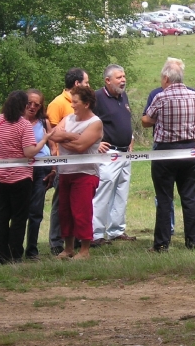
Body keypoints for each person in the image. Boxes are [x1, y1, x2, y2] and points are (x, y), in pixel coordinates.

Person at [142, 58, 195, 252]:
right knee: (190, 197)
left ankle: (161, 243)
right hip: (188, 150)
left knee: (165, 198)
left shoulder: (161, 97)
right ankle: (193, 241)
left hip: (165, 152)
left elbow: (146, 120)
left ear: (166, 78)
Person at [0, 90, 54, 265]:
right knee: (19, 217)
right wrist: (44, 139)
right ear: (22, 106)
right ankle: (14, 255)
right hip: (20, 178)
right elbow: (29, 152)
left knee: (1, 215)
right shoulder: (23, 125)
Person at [51, 86, 103, 260]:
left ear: (86, 104)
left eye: (75, 102)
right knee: (64, 212)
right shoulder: (68, 118)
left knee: (81, 212)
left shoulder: (95, 123)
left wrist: (65, 137)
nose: (72, 105)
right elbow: (53, 135)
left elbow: (82, 147)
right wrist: (73, 137)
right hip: (65, 172)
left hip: (86, 173)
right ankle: (68, 249)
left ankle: (85, 250)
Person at [46, 68, 90, 255]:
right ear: (77, 84)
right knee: (60, 205)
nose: (89, 85)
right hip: (61, 162)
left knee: (78, 205)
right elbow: (53, 134)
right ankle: (57, 241)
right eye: (86, 82)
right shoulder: (57, 103)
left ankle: (78, 240)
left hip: (82, 165)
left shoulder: (84, 104)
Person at [91, 64, 136, 247]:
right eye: (119, 77)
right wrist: (95, 143)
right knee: (103, 192)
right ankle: (96, 234)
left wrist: (131, 139)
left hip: (125, 152)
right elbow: (87, 121)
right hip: (109, 154)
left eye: (124, 76)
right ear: (107, 80)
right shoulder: (97, 97)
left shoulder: (123, 96)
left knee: (121, 192)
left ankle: (116, 230)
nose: (123, 80)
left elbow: (125, 120)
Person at [24, 89, 57, 261]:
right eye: (29, 103)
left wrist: (53, 169)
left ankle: (32, 250)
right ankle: (14, 247)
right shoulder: (16, 121)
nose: (32, 107)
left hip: (42, 170)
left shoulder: (44, 122)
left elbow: (52, 147)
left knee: (36, 212)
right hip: (21, 170)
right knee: (19, 211)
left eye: (37, 104)